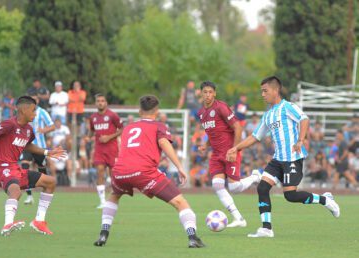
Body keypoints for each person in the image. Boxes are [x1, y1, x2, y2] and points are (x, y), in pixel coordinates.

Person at [226, 76, 340, 238]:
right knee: (262, 187)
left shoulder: (288, 107)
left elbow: (304, 119)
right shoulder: (268, 115)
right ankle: (266, 228)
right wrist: (235, 148)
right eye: (262, 92)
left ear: (275, 90)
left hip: (292, 158)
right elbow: (255, 136)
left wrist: (300, 140)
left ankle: (325, 200)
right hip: (278, 159)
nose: (263, 95)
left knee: (290, 195)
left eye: (265, 91)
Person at [93, 95, 205, 248]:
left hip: (120, 172)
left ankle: (103, 234)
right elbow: (164, 143)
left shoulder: (128, 128)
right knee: (180, 202)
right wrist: (179, 167)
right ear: (157, 111)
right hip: (144, 172)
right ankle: (193, 237)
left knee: (114, 196)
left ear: (140, 111)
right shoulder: (159, 126)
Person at [0, 96, 66, 236]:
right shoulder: (9, 124)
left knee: (50, 182)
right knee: (16, 191)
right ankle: (7, 225)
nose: (35, 114)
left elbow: (27, 145)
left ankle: (39, 221)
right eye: (33, 110)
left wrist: (47, 152)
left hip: (15, 168)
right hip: (1, 167)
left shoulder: (28, 130)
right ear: (23, 110)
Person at [197, 81, 261, 228]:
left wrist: (235, 149)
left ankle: (255, 177)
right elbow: (212, 133)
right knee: (217, 185)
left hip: (229, 151)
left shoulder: (221, 107)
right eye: (205, 92)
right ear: (201, 93)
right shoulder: (201, 113)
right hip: (216, 154)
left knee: (234, 188)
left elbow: (237, 127)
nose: (208, 95)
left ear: (214, 93)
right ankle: (238, 218)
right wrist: (205, 146)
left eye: (210, 92)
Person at [89, 94, 123, 208]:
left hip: (112, 149)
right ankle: (102, 201)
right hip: (99, 149)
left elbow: (122, 129)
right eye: (98, 101)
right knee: (99, 171)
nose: (100, 103)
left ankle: (112, 199)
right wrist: (88, 137)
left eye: (102, 101)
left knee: (112, 174)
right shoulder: (93, 117)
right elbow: (92, 130)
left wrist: (109, 137)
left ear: (106, 103)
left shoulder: (112, 115)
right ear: (96, 103)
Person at [20, 94, 55, 205]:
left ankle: (46, 192)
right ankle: (29, 196)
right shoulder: (24, 111)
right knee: (24, 166)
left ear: (38, 100)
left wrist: (43, 130)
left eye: (35, 99)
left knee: (42, 169)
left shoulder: (42, 112)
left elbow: (52, 126)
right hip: (27, 145)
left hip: (39, 146)